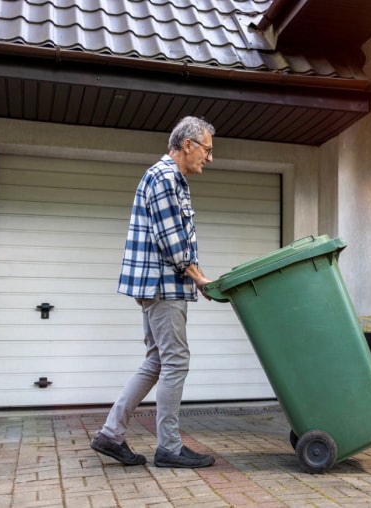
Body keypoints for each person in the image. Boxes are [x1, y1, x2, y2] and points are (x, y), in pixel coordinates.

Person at [91, 116, 216, 468]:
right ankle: (170, 447)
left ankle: (110, 434)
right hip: (163, 286)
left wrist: (198, 277)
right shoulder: (164, 178)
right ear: (188, 145)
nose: (209, 158)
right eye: (207, 150)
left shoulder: (172, 180)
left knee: (157, 361)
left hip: (160, 284)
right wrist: (199, 279)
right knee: (176, 362)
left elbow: (177, 241)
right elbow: (173, 245)